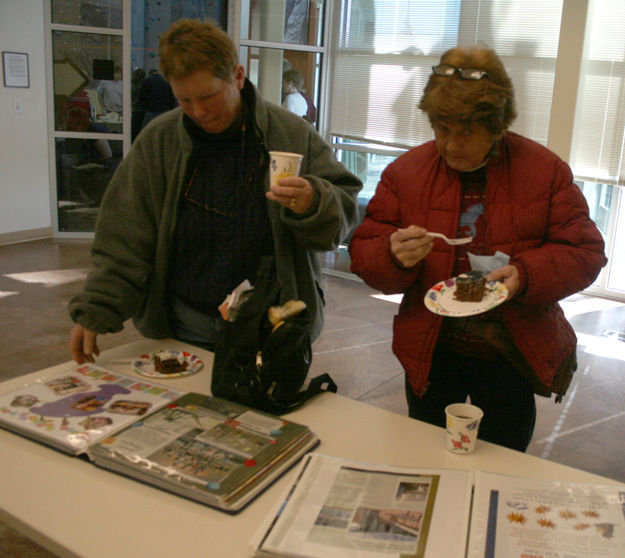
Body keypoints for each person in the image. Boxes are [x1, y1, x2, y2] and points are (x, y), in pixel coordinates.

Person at [349, 46, 607, 452]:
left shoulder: (543, 171)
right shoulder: (406, 173)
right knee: (428, 456)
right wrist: (391, 255)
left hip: (509, 352)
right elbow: (364, 252)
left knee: (503, 461)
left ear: (498, 125)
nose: (450, 145)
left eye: (467, 131)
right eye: (441, 128)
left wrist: (526, 273)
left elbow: (585, 252)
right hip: (431, 352)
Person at [68, 18, 361, 364]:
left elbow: (346, 211)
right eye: (184, 100)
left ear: (238, 76)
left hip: (275, 326)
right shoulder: (159, 141)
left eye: (208, 96)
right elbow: (124, 237)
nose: (199, 112)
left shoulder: (291, 135)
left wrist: (315, 201)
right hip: (185, 326)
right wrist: (98, 307)